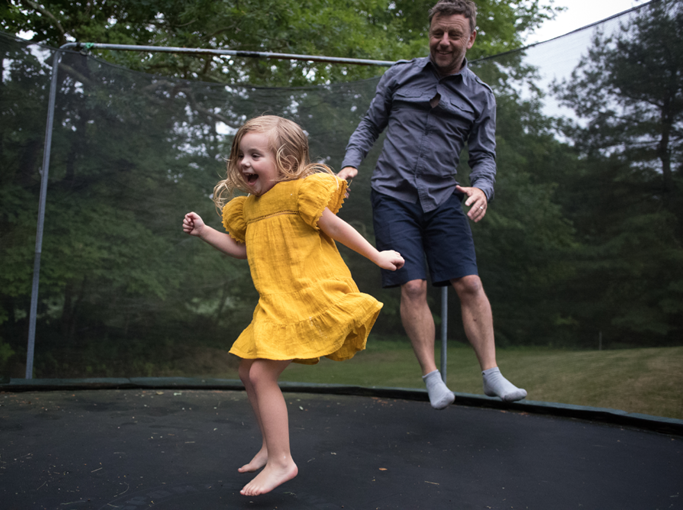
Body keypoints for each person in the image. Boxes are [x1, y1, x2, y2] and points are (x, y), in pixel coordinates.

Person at [183, 115, 404, 496]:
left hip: (308, 295)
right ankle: (271, 447)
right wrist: (206, 232)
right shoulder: (247, 208)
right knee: (246, 370)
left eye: (256, 155)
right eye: (241, 155)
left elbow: (336, 227)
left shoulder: (300, 191)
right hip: (275, 302)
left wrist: (377, 255)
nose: (244, 163)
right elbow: (241, 249)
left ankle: (283, 461)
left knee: (261, 376)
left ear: (285, 161)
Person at [338, 0, 526, 410]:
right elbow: (370, 124)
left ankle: (492, 376)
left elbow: (484, 156)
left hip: (443, 197)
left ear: (471, 38)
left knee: (471, 284)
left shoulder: (481, 96)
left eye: (454, 35)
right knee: (414, 283)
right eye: (437, 33)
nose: (443, 41)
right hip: (393, 195)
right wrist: (350, 165)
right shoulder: (400, 76)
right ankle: (432, 378)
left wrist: (482, 189)